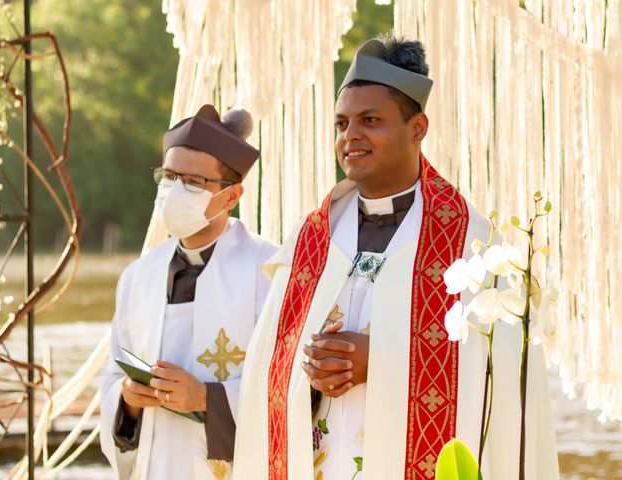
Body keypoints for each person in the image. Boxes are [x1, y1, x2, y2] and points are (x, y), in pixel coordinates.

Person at [233, 35, 559, 480]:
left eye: (371, 120)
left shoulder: (475, 247)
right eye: (341, 124)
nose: (351, 136)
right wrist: (306, 369)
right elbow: (264, 374)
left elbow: (502, 381)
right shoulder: (310, 240)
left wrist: (381, 360)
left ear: (418, 128)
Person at [100, 104, 277, 480]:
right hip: (156, 464)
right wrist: (128, 400)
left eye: (193, 182)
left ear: (231, 196)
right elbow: (112, 379)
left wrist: (206, 399)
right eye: (168, 176)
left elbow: (290, 391)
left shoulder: (271, 272)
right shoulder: (138, 277)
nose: (174, 190)